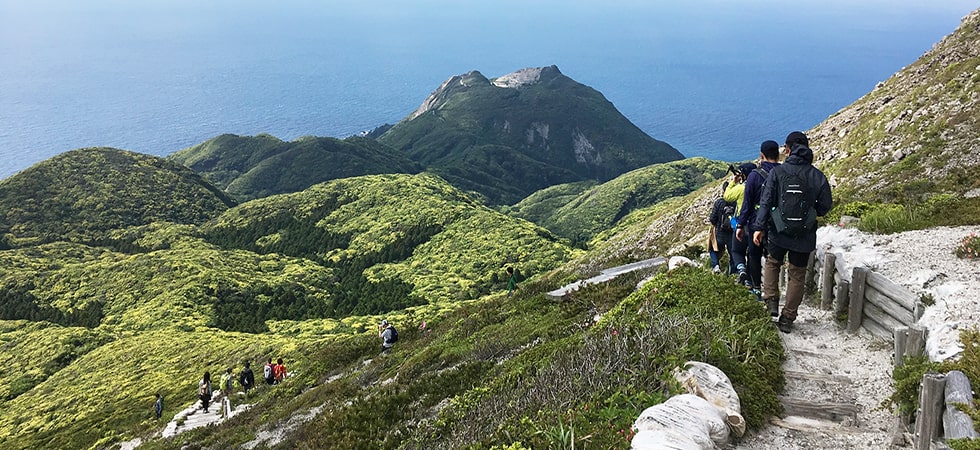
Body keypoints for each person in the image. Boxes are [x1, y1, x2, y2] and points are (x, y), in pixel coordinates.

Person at [752, 131, 833, 333]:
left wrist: (759, 227)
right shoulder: (817, 175)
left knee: (772, 263)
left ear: (787, 149)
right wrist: (811, 212)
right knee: (797, 275)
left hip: (778, 231)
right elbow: (825, 206)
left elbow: (766, 201)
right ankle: (787, 318)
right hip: (804, 235)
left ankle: (771, 302)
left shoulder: (777, 173)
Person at [736, 140, 781, 304]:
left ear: (762, 155)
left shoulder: (755, 175)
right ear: (779, 153)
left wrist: (740, 225)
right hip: (778, 224)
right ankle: (773, 294)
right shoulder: (784, 172)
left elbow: (746, 204)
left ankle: (756, 288)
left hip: (756, 223)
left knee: (754, 255)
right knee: (774, 258)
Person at [724, 162, 756, 286]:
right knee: (753, 254)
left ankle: (742, 270)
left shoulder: (742, 188)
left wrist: (733, 182)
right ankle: (752, 282)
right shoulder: (760, 185)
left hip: (741, 223)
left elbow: (727, 197)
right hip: (756, 223)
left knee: (737, 251)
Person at [707, 181, 734, 274]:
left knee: (712, 249)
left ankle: (716, 266)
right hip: (732, 233)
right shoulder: (735, 203)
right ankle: (732, 274)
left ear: (723, 190)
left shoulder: (719, 202)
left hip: (719, 233)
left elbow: (712, 219)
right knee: (733, 254)